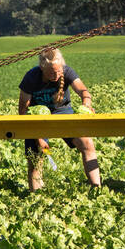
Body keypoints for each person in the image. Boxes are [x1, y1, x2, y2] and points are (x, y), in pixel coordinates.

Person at [18, 47, 101, 191]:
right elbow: (23, 111)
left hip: (63, 112)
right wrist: (38, 137)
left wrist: (86, 103)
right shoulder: (31, 78)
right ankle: (36, 196)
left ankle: (96, 188)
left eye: (58, 71)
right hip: (37, 119)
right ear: (42, 69)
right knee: (35, 158)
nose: (55, 75)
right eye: (51, 72)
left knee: (87, 143)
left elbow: (83, 90)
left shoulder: (67, 71)